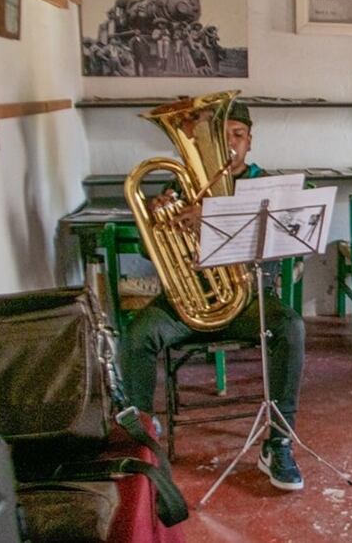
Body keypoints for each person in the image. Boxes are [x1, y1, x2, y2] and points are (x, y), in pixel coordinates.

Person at [120, 103, 308, 491]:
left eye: (237, 135)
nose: (229, 144)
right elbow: (146, 250)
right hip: (185, 304)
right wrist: (158, 219)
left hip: (247, 300)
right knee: (138, 336)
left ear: (250, 141)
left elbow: (286, 247)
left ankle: (278, 442)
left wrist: (210, 219)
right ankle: (140, 436)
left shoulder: (266, 187)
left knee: (290, 326)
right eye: (220, 137)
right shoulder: (177, 186)